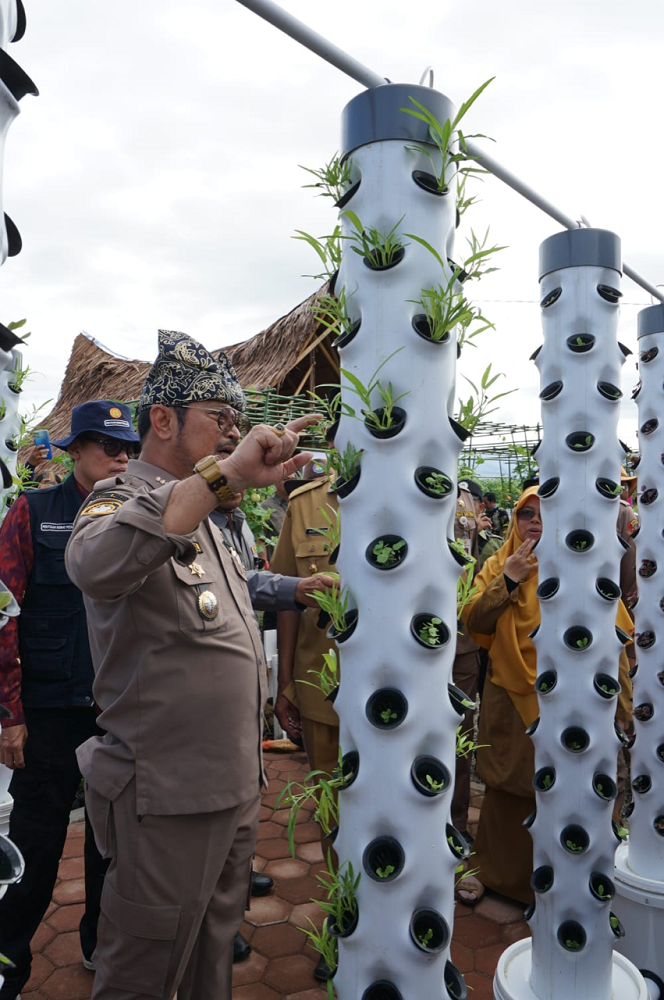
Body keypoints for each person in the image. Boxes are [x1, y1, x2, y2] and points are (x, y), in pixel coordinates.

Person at [65, 330, 317, 1000]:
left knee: (211, 956)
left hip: (232, 786)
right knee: (144, 969)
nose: (232, 436)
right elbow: (93, 565)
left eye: (237, 425)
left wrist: (226, 485)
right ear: (164, 419)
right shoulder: (117, 499)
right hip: (166, 797)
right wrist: (227, 474)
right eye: (220, 420)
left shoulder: (207, 517)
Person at [0, 401, 141, 999]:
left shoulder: (141, 515)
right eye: (107, 446)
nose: (120, 457)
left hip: (116, 711)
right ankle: (7, 961)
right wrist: (9, 716)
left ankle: (99, 941)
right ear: (75, 450)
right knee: (37, 841)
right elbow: (3, 615)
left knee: (114, 842)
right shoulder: (32, 512)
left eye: (126, 447)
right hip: (51, 712)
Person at [458, 488, 634, 905]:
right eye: (526, 514)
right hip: (512, 693)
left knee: (571, 789)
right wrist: (509, 580)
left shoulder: (583, 566)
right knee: (506, 786)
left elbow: (615, 638)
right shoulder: (498, 562)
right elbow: (474, 620)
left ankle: (565, 881)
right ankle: (495, 874)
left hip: (572, 698)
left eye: (544, 514)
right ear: (514, 520)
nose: (534, 522)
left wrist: (623, 706)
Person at [208, 495, 334, 962]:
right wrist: (286, 684)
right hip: (318, 686)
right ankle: (346, 921)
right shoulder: (306, 506)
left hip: (405, 699)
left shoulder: (425, 494)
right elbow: (278, 594)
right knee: (334, 815)